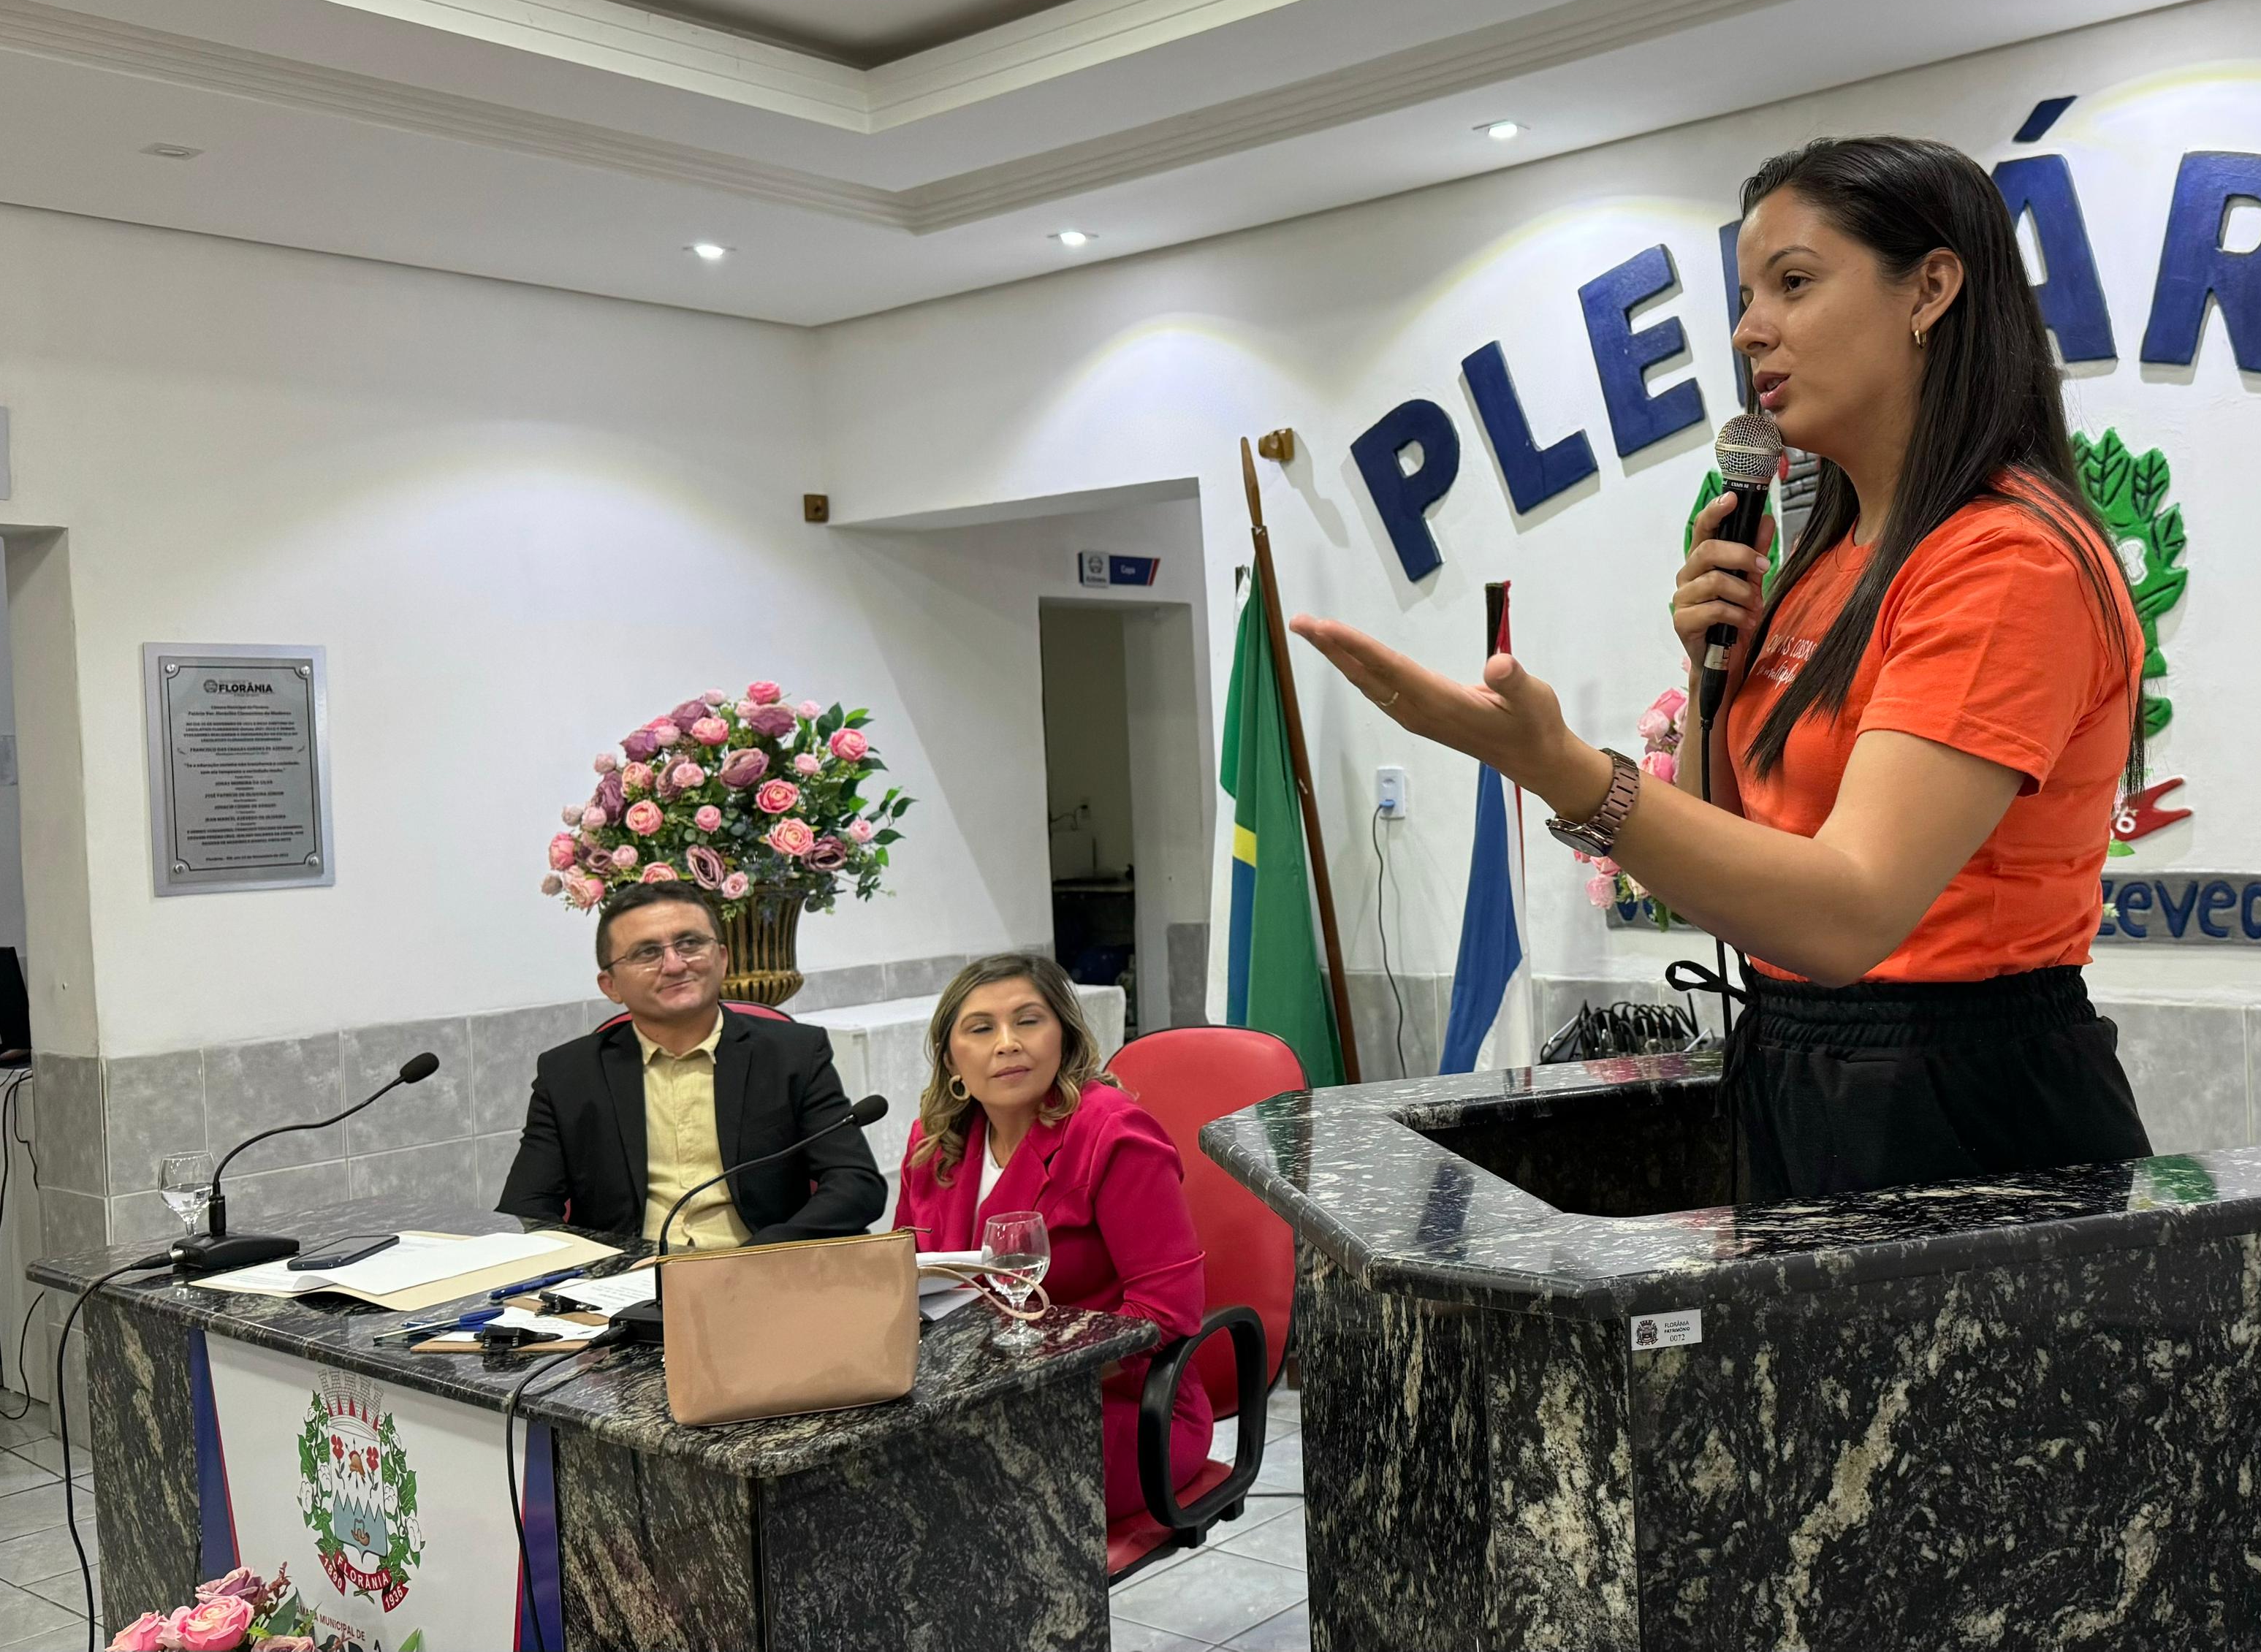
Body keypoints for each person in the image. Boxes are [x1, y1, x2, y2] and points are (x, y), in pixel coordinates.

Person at [1291, 134, 2154, 1202]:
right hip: (1795, 1063)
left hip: (1958, 1093)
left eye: (1794, 284)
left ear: (1931, 289)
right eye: (1747, 295)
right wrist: (1711, 677)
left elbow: (1845, 915)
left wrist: (1561, 768)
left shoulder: (2006, 559)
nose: (1750, 331)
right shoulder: (1824, 556)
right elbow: (1717, 863)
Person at [892, 953, 1212, 1520]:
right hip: (966, 1405)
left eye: (1029, 1020)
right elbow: (899, 1282)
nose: (1008, 1043)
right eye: (981, 1028)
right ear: (951, 1061)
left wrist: (1026, 1373)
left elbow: (1166, 1313)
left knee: (935, 1508)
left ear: (1063, 1035)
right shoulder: (932, 1142)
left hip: (1113, 1408)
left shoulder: (1112, 1134)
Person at [496, 879, 885, 1245]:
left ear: (721, 959)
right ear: (610, 985)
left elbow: (856, 1184)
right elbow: (526, 1209)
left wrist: (763, 1254)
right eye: (647, 952)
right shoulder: (569, 1074)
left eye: (689, 943)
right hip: (627, 1290)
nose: (675, 964)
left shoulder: (792, 1054)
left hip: (762, 1277)